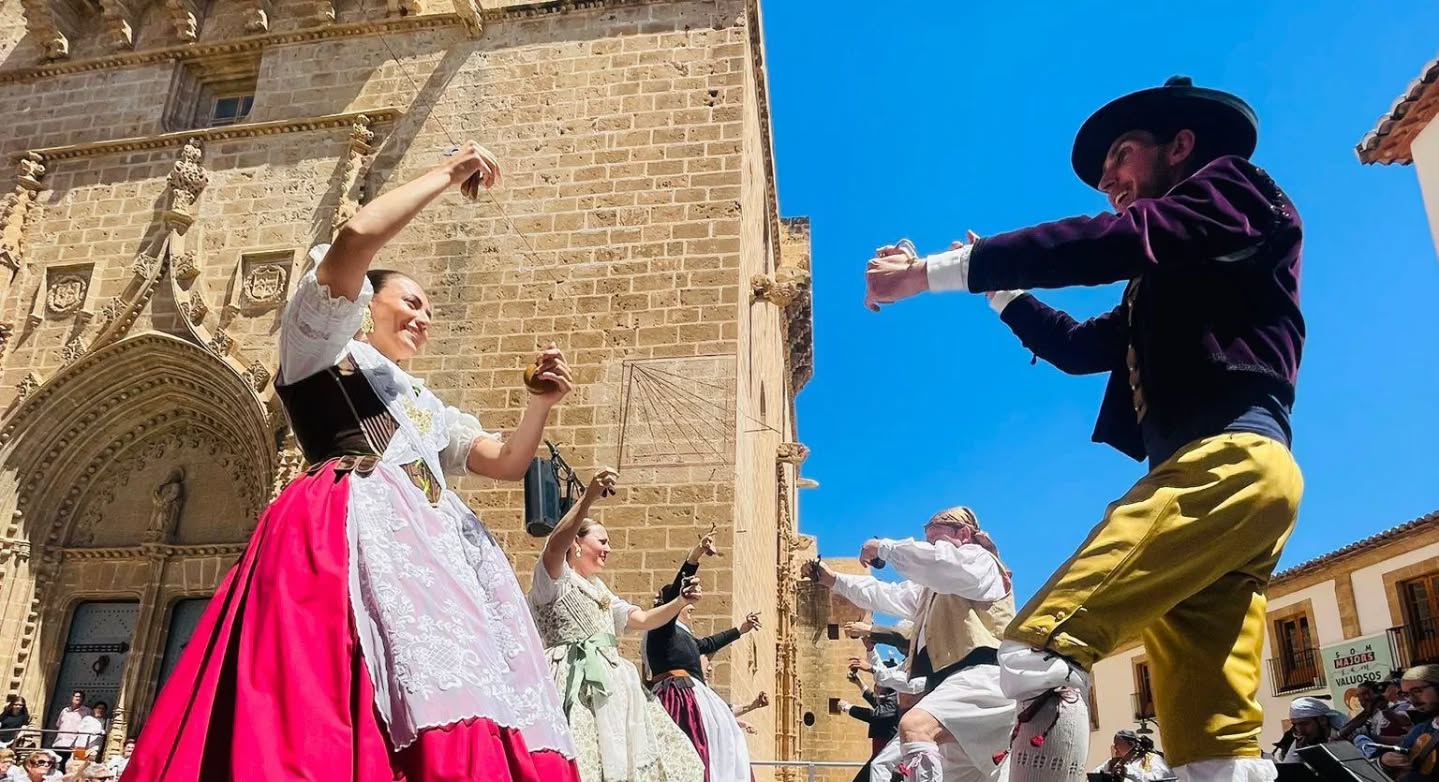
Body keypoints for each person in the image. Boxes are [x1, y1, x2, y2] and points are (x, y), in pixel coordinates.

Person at [864, 76, 1305, 782]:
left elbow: (1107, 243)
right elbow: (1078, 349)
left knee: (1046, 640)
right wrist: (998, 289)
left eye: (1121, 158)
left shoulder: (1237, 189)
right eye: (1102, 179)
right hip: (1225, 488)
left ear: (1181, 145)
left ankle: (917, 753)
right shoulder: (1169, 275)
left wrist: (929, 273)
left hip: (1224, 468)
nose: (1108, 183)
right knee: (1212, 745)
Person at [124, 142, 580, 782]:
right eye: (411, 301)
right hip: (349, 522)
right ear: (366, 303)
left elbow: (505, 461)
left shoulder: (423, 402)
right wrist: (449, 173)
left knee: (456, 683)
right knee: (341, 681)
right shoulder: (321, 346)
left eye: (429, 311)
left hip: (433, 542)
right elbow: (356, 237)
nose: (423, 316)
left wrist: (540, 406)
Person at [809, 506, 1016, 782]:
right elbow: (887, 594)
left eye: (935, 539)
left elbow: (941, 563)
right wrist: (834, 580)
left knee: (914, 727)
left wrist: (883, 548)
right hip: (949, 688)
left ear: (964, 534)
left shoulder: (979, 562)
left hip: (983, 681)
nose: (930, 546)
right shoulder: (932, 590)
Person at [531, 469, 705, 782]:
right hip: (570, 678)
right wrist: (587, 499)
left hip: (612, 685)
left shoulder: (601, 590)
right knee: (576, 758)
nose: (609, 548)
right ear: (578, 544)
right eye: (602, 541)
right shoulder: (554, 581)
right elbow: (555, 546)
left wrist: (679, 602)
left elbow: (642, 619)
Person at [643, 528, 760, 782]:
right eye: (688, 607)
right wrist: (695, 556)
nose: (691, 610)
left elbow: (707, 643)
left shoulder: (682, 635)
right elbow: (676, 591)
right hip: (678, 699)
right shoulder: (662, 627)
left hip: (695, 697)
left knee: (726, 750)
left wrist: (741, 629)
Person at [1382, 665, 1439, 782]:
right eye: (1407, 694)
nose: (1412, 700)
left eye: (1417, 691)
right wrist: (1385, 762)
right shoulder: (1420, 730)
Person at [1275, 698, 1342, 764]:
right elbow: (1288, 770)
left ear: (1322, 720)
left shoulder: (1346, 738)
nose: (1300, 731)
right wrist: (1298, 752)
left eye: (1304, 724)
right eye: (1295, 725)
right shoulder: (1302, 741)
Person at [1096, 730, 1173, 781]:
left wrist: (1128, 773)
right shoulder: (1113, 762)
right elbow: (1095, 775)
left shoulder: (1152, 758)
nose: (1115, 747)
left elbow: (1163, 778)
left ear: (1131, 744)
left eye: (1118, 744)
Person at [52, 694, 87, 768]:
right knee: (56, 765)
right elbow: (58, 724)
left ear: (83, 699)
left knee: (67, 767)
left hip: (73, 744)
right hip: (59, 742)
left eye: (80, 697)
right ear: (72, 697)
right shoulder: (65, 710)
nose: (77, 698)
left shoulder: (86, 711)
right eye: (76, 696)